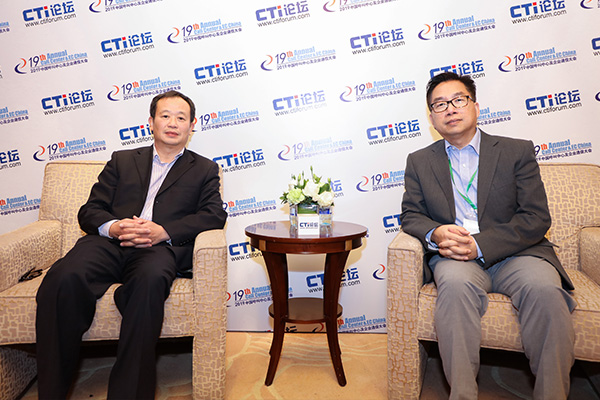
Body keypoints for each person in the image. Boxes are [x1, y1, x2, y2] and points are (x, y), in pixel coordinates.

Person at [35, 90, 227, 399]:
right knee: (62, 278)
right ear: (151, 122)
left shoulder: (204, 169)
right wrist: (114, 226)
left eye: (181, 118)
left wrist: (163, 231)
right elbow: (90, 210)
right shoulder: (122, 160)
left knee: (150, 283)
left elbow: (213, 215)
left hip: (158, 250)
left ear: (192, 126)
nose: (173, 123)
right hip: (108, 245)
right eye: (165, 116)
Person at [400, 72, 576, 400]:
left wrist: (480, 245)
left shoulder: (515, 151)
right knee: (454, 289)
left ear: (476, 106)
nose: (450, 109)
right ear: (432, 118)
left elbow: (536, 217)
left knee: (545, 292)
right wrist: (436, 232)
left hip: (518, 254)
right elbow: (411, 215)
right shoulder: (420, 162)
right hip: (455, 258)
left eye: (458, 100)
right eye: (440, 105)